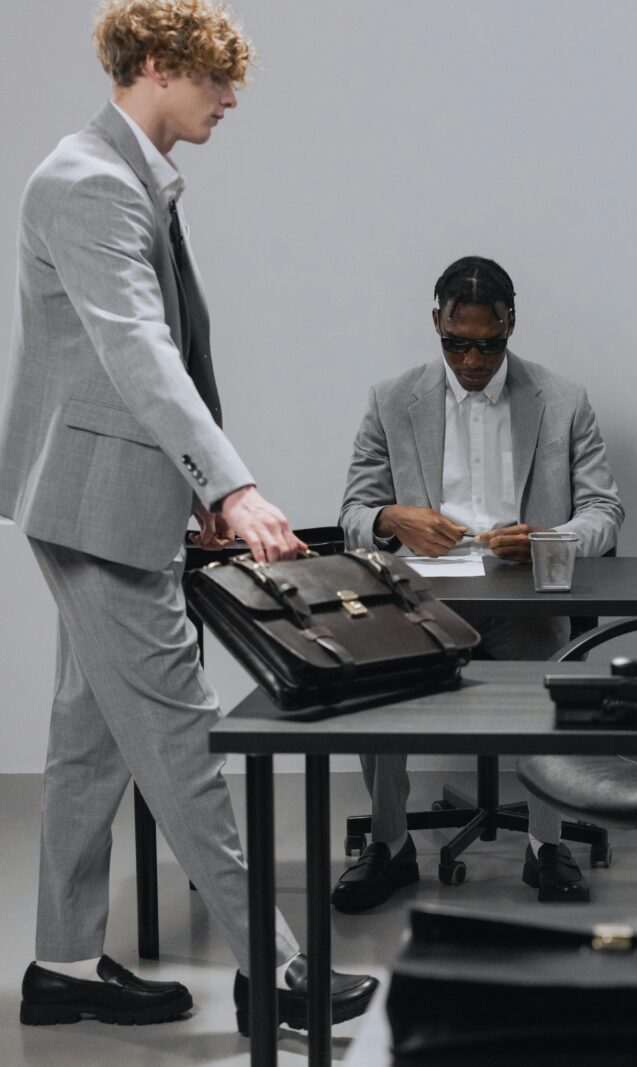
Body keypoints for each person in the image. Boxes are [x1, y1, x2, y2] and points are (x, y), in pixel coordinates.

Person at [0, 0, 377, 1033]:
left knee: (90, 737)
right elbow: (136, 349)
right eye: (217, 78)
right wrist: (229, 485)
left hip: (107, 496)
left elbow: (150, 356)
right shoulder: (89, 182)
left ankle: (62, 964)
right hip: (97, 508)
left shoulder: (129, 177)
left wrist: (195, 491)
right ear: (160, 65)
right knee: (183, 736)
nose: (232, 98)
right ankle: (277, 970)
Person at [336, 255, 623, 908]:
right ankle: (390, 845)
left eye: (488, 345)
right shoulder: (392, 400)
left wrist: (549, 539)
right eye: (456, 343)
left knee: (553, 678)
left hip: (521, 597)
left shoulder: (562, 400)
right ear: (436, 324)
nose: (471, 360)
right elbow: (353, 514)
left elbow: (605, 511)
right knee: (374, 681)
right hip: (423, 599)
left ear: (510, 324)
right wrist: (391, 519)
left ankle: (546, 846)